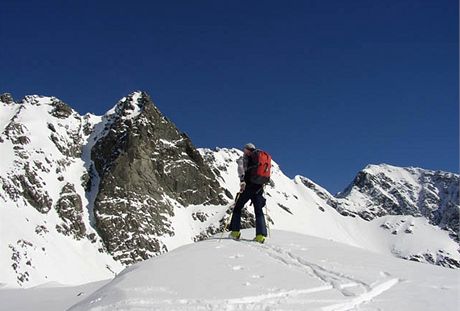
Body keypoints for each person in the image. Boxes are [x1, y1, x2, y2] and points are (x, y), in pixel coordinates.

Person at [228, 143, 268, 243]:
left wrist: (242, 181)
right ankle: (260, 236)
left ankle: (235, 233)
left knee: (237, 207)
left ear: (247, 150)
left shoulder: (244, 159)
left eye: (244, 149)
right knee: (258, 210)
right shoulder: (259, 159)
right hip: (259, 187)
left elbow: (241, 170)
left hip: (248, 186)